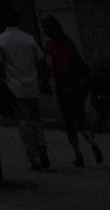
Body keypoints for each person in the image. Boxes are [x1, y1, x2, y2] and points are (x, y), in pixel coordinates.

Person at [39, 16, 103, 168]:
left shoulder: (49, 46)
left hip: (62, 86)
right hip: (75, 85)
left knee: (69, 122)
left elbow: (49, 68)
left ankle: (78, 154)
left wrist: (45, 81)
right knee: (81, 119)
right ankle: (92, 142)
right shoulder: (69, 43)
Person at [0, 16, 52, 171]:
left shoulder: (0, 40)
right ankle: (42, 148)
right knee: (36, 120)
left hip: (15, 87)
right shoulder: (29, 38)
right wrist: (43, 80)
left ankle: (34, 157)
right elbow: (41, 60)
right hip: (32, 85)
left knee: (24, 123)